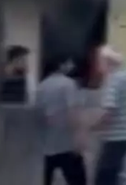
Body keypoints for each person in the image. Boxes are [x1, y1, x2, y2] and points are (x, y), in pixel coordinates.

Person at [35, 56, 87, 185]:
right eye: (68, 64)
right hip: (66, 143)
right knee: (78, 181)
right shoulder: (68, 84)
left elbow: (38, 115)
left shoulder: (41, 86)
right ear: (61, 66)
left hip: (46, 146)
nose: (70, 67)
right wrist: (78, 137)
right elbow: (73, 112)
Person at [90, 46, 126, 185]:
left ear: (108, 61)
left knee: (103, 179)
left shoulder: (113, 80)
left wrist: (92, 128)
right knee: (114, 176)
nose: (98, 65)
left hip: (114, 138)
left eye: (99, 60)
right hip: (125, 136)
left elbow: (109, 112)